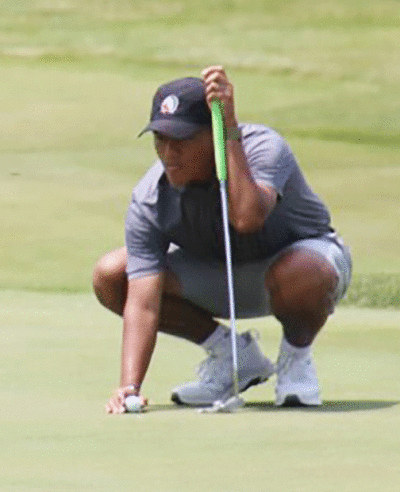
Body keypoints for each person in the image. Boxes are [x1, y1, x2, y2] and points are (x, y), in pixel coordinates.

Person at [93, 66, 352, 414]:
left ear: (212, 134)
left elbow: (247, 218)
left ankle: (296, 359)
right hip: (221, 276)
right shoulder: (150, 197)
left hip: (307, 264)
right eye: (161, 139)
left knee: (300, 273)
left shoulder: (264, 147)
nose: (169, 153)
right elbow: (143, 302)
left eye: (181, 140)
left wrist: (229, 129)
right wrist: (129, 387)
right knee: (112, 275)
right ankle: (234, 356)